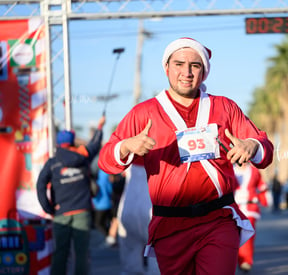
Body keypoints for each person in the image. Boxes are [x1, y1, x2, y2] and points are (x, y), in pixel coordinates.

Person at [98, 37, 274, 274]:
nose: (187, 72)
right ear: (167, 68)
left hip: (217, 220)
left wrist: (252, 145)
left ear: (204, 72)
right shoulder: (144, 112)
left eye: (195, 65)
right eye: (179, 64)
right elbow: (106, 161)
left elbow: (265, 148)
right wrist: (126, 146)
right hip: (169, 226)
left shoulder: (224, 107)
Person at [36, 116, 105, 275]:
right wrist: (100, 127)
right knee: (81, 255)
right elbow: (95, 144)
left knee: (60, 254)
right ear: (73, 142)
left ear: (59, 144)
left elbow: (40, 186)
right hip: (82, 212)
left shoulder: (52, 163)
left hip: (61, 213)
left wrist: (49, 209)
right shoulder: (83, 155)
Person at [233, 162, 272, 272]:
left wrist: (266, 199)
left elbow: (261, 186)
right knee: (235, 236)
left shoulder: (254, 171)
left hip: (250, 207)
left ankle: (246, 261)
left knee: (248, 234)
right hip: (235, 208)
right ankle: (238, 259)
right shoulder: (230, 170)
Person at [92, 168, 113, 246]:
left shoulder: (98, 173)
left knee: (99, 223)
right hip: (105, 201)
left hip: (99, 203)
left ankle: (109, 237)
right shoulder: (105, 173)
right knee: (106, 222)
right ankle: (110, 237)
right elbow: (109, 189)